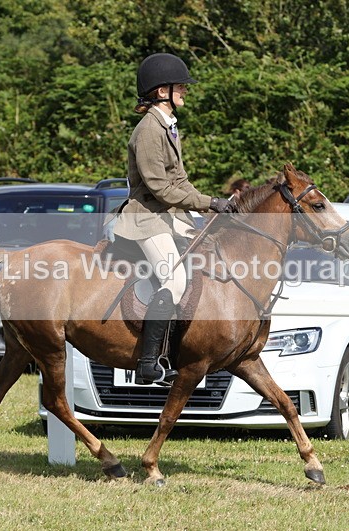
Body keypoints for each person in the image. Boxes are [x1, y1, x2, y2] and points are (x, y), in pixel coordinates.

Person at [113, 53, 236, 385]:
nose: (184, 90)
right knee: (175, 281)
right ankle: (148, 363)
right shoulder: (149, 130)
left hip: (168, 217)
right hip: (148, 218)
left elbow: (180, 182)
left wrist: (213, 207)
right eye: (179, 85)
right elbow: (160, 188)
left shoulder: (167, 127)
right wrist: (210, 201)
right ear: (160, 90)